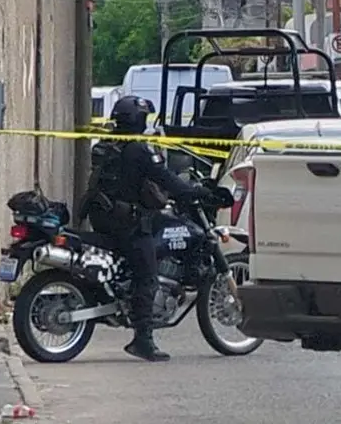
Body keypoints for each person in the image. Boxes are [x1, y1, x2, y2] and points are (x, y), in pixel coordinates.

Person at [81, 95, 230, 362]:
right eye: (144, 119)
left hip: (103, 215)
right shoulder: (138, 149)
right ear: (138, 120)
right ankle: (143, 340)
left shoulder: (108, 144)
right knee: (147, 275)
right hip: (126, 221)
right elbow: (166, 179)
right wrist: (197, 192)